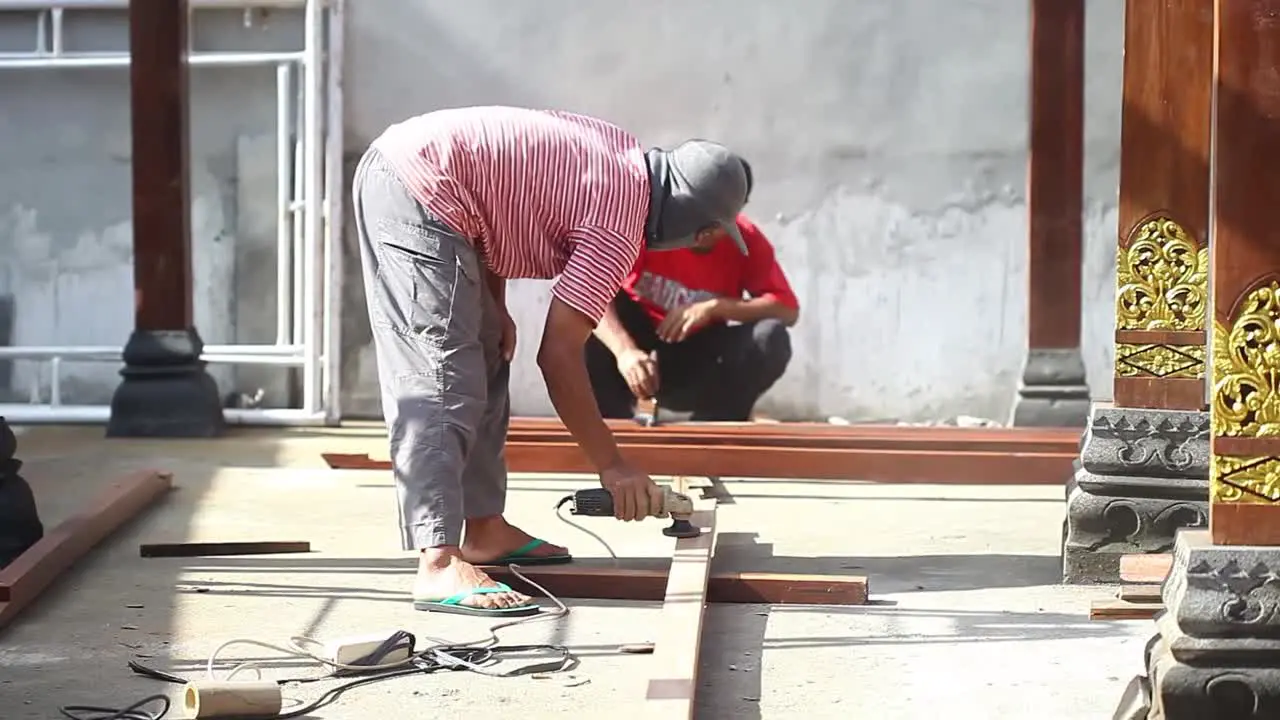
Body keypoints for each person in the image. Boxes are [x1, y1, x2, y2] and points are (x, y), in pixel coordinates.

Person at [352, 106, 751, 616]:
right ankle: (437, 561)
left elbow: (495, 197)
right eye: (708, 234)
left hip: (443, 187)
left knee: (490, 349)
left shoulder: (622, 158)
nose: (702, 244)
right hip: (416, 184)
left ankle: (482, 527)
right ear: (693, 221)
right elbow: (558, 356)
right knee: (441, 371)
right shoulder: (621, 220)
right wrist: (614, 466)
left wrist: (495, 304)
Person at [585, 209, 799, 422]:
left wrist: (715, 307)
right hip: (632, 357)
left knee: (770, 337)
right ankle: (607, 428)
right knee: (586, 322)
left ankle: (714, 433)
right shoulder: (643, 226)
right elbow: (590, 290)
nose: (704, 235)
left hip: (692, 361)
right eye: (697, 220)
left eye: (716, 225)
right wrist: (624, 351)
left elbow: (788, 311)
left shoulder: (745, 239)